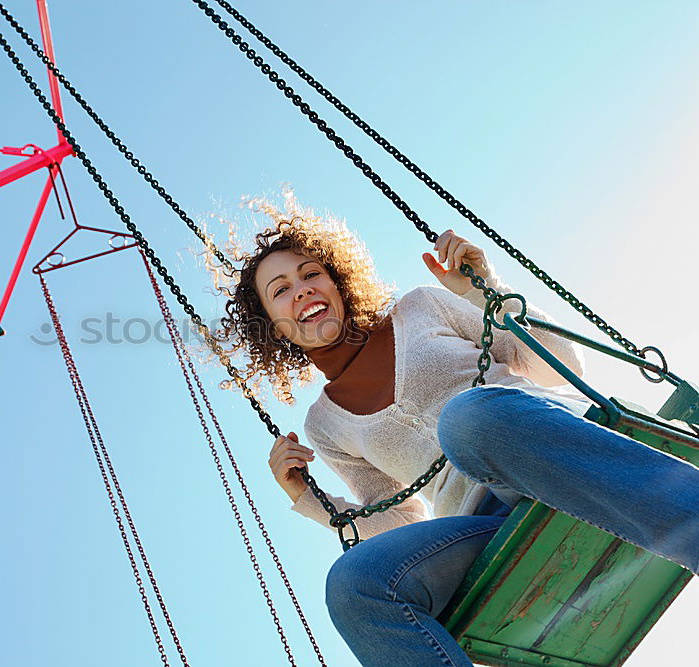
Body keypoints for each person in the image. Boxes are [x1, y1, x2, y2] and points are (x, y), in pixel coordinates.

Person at [210, 194, 699, 666]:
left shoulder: (423, 306)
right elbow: (401, 519)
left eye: (310, 273)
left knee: (467, 419)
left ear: (336, 281)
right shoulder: (325, 424)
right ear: (274, 327)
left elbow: (562, 364)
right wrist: (310, 500)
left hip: (560, 454)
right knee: (352, 584)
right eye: (281, 291)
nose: (302, 290)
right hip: (485, 523)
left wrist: (483, 291)